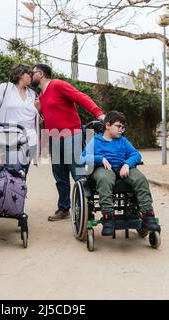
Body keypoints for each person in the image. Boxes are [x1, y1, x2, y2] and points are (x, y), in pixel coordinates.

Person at [30, 64, 105, 221]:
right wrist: (39, 110)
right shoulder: (41, 96)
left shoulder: (58, 85)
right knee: (60, 177)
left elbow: (81, 97)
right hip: (52, 138)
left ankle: (86, 211)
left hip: (71, 135)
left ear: (41, 74)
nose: (30, 76)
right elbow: (48, 119)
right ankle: (64, 209)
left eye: (33, 73)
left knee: (78, 174)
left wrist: (99, 113)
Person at [80, 110, 160, 236]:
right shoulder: (95, 141)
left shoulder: (123, 141)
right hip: (103, 168)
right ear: (107, 125)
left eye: (123, 127)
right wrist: (100, 159)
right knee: (105, 179)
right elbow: (82, 158)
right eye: (118, 126)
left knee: (140, 179)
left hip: (122, 167)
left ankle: (147, 214)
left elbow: (136, 154)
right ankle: (108, 217)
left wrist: (127, 164)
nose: (121, 130)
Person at [0, 64, 40, 174]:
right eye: (29, 74)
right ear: (21, 74)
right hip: (5, 138)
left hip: (28, 141)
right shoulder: (4, 88)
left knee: (20, 176)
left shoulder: (33, 94)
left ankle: (18, 191)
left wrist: (39, 109)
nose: (32, 77)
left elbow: (37, 119)